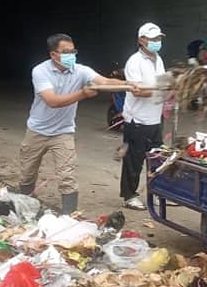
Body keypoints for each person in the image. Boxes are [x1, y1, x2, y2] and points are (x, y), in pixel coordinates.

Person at [19, 33, 133, 213]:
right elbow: (52, 101)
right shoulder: (40, 71)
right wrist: (82, 94)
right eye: (65, 52)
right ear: (53, 55)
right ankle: (25, 208)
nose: (70, 55)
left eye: (73, 51)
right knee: (27, 173)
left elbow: (104, 82)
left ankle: (69, 217)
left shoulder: (81, 70)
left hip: (63, 132)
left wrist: (129, 84)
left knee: (67, 177)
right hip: (37, 131)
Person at [120, 22, 166, 210]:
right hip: (137, 119)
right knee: (134, 159)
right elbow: (137, 90)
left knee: (156, 158)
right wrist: (162, 91)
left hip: (155, 118)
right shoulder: (134, 61)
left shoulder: (159, 59)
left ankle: (154, 192)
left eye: (159, 39)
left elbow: (163, 82)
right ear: (141, 40)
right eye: (152, 39)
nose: (156, 42)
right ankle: (130, 195)